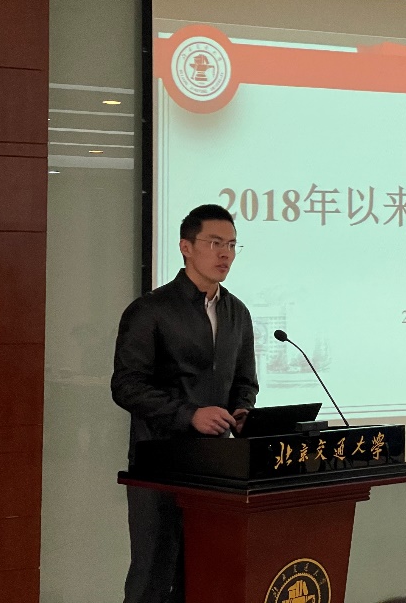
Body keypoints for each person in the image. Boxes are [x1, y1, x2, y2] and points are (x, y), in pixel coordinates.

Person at [111, 203, 258, 603]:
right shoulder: (150, 310)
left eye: (232, 245)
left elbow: (245, 382)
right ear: (186, 247)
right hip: (159, 463)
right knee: (153, 577)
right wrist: (189, 415)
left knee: (204, 576)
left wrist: (242, 410)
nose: (225, 254)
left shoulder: (237, 312)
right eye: (215, 243)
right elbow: (126, 386)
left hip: (216, 467)